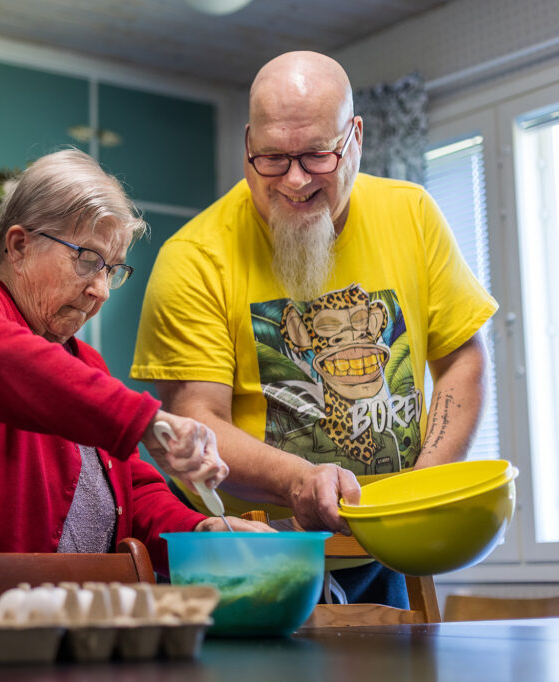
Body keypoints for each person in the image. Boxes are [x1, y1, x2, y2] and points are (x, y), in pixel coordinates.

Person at [0, 149, 270, 614]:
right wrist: (144, 419)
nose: (100, 290)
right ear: (18, 246)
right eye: (88, 260)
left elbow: (134, 491)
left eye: (111, 270)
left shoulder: (84, 363)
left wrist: (200, 531)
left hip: (30, 647)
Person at [131, 51, 497, 607]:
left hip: (392, 551)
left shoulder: (412, 214)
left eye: (316, 155)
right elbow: (196, 419)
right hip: (255, 558)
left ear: (354, 136)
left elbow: (460, 358)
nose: (295, 179)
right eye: (273, 157)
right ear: (248, 142)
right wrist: (298, 479)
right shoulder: (194, 257)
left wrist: (418, 492)